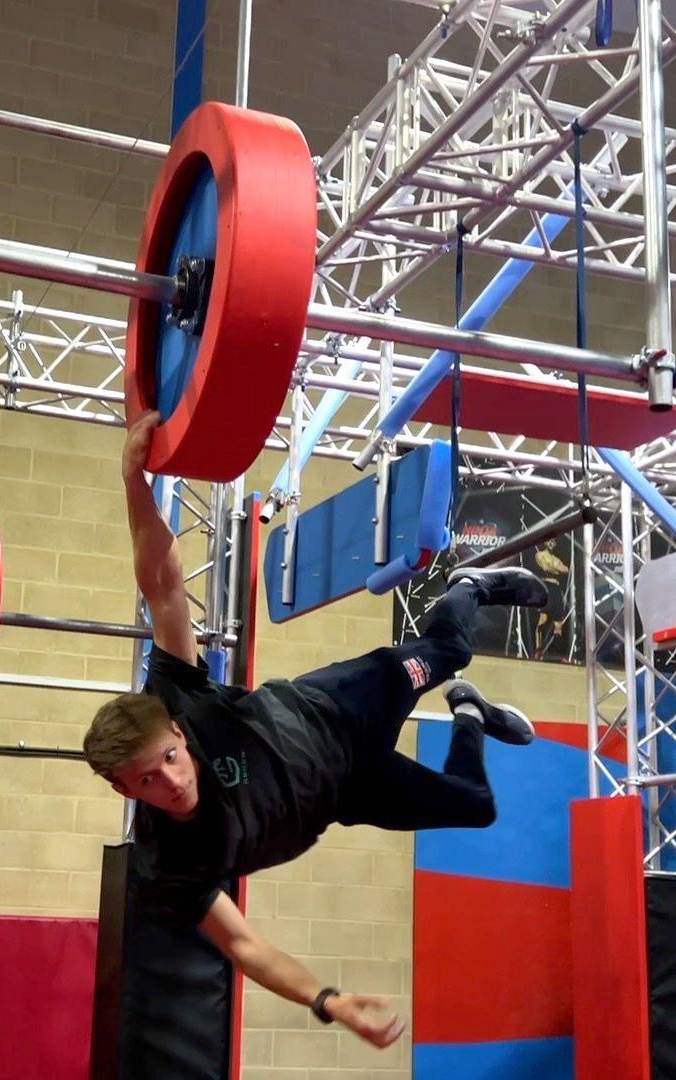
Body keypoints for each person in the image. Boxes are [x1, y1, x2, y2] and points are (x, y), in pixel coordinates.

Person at [83, 411, 544, 1050]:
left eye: (167, 759)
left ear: (179, 736)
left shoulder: (174, 696)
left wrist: (134, 479)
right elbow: (243, 944)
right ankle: (467, 712)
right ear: (124, 791)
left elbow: (162, 587)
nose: (170, 782)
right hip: (351, 791)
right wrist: (327, 1000)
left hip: (338, 707)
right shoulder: (170, 863)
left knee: (448, 649)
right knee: (476, 807)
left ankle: (471, 585)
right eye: (146, 782)